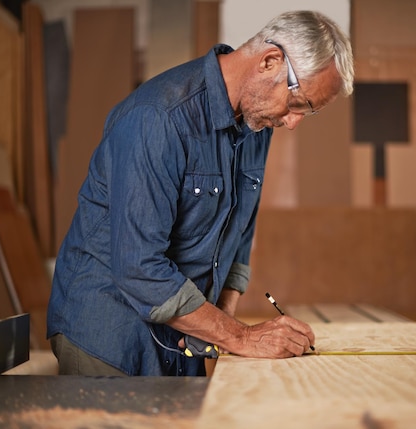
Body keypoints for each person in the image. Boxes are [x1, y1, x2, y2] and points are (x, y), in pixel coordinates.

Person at [46, 10, 354, 376]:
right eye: (298, 103)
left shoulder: (258, 126)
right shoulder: (158, 118)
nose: (292, 122)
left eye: (309, 112)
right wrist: (239, 337)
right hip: (110, 336)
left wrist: (221, 328)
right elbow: (139, 268)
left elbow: (240, 233)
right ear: (271, 61)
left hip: (182, 336)